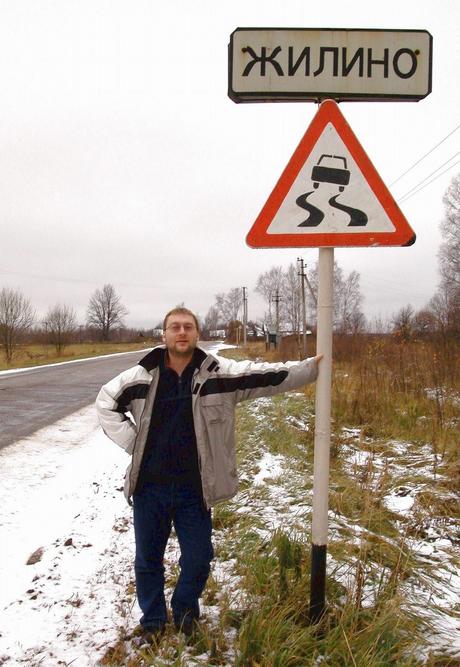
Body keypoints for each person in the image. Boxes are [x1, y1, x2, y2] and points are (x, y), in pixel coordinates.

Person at [96, 307, 322, 643]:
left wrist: (311, 369)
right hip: (150, 487)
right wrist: (136, 445)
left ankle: (186, 613)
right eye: (175, 327)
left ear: (197, 333)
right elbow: (106, 403)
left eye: (188, 327)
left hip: (194, 488)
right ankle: (154, 622)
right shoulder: (140, 377)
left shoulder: (218, 375)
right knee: (148, 559)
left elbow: (265, 375)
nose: (181, 332)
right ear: (164, 334)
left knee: (199, 558)